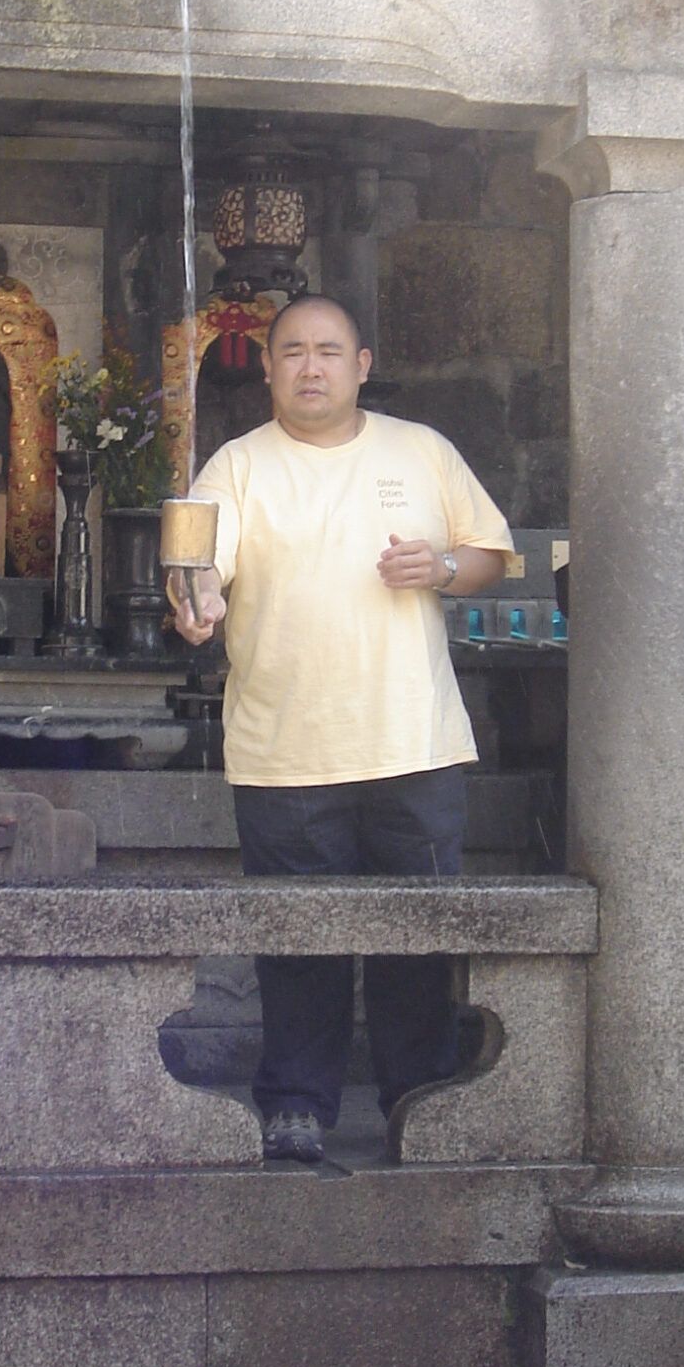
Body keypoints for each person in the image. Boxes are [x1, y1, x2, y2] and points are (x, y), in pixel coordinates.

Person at [168, 292, 513, 1164]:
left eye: (328, 351)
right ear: (268, 366)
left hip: (412, 739)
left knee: (418, 937)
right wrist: (199, 596)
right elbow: (201, 560)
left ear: (362, 364)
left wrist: (438, 566)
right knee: (296, 941)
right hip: (286, 745)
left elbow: (488, 556)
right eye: (291, 352)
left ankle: (420, 1094)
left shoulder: (421, 450)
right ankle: (296, 1102)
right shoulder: (239, 466)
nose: (310, 367)